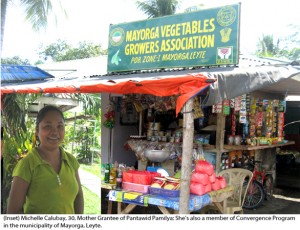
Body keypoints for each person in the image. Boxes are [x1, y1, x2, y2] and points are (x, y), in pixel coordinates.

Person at [7, 105, 84, 214]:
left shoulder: (71, 161)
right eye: (48, 126)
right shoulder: (27, 164)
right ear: (37, 131)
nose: (55, 132)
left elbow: (79, 196)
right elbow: (13, 211)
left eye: (60, 126)